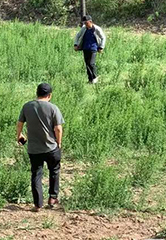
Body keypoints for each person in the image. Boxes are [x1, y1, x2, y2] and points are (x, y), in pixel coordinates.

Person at [16, 83, 64, 212]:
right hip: (51, 147)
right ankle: (53, 198)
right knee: (54, 170)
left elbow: (20, 123)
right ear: (50, 95)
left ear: (36, 93)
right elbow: (58, 128)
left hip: (34, 148)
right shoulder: (53, 108)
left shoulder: (27, 106)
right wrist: (59, 142)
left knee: (36, 174)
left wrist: (19, 135)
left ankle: (38, 204)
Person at [73, 15, 107, 84]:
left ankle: (95, 77)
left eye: (86, 23)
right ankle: (90, 79)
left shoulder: (97, 29)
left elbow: (103, 37)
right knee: (87, 64)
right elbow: (77, 35)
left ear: (90, 22)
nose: (85, 24)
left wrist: (101, 47)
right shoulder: (84, 28)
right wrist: (76, 44)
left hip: (93, 48)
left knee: (91, 63)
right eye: (84, 23)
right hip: (85, 48)